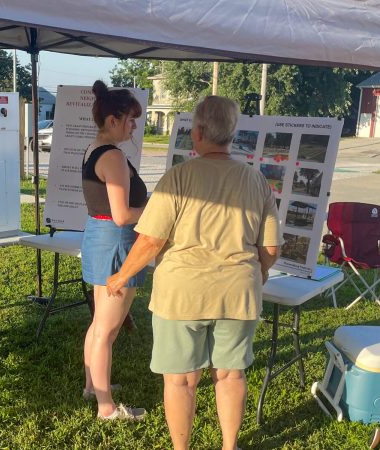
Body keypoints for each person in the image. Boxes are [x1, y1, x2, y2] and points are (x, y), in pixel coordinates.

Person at [107, 96, 281, 449]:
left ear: (198, 132)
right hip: (239, 292)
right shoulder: (257, 181)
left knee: (181, 381)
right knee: (231, 375)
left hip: (181, 295)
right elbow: (272, 249)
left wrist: (121, 275)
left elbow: (151, 240)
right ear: (231, 134)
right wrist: (258, 271)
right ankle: (229, 446)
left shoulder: (177, 178)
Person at [81, 80, 148, 421]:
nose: (134, 125)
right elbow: (123, 215)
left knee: (99, 324)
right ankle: (106, 407)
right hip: (116, 241)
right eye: (130, 119)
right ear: (112, 120)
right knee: (108, 329)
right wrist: (159, 212)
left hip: (98, 236)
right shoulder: (114, 157)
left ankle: (94, 385)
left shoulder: (93, 149)